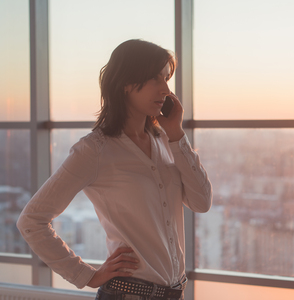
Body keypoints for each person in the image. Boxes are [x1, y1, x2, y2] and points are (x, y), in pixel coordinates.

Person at [17, 39, 212, 300]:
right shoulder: (94, 150)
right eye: (156, 78)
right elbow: (31, 221)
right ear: (126, 83)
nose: (166, 89)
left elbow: (201, 202)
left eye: (167, 78)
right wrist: (86, 275)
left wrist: (176, 134)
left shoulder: (167, 141)